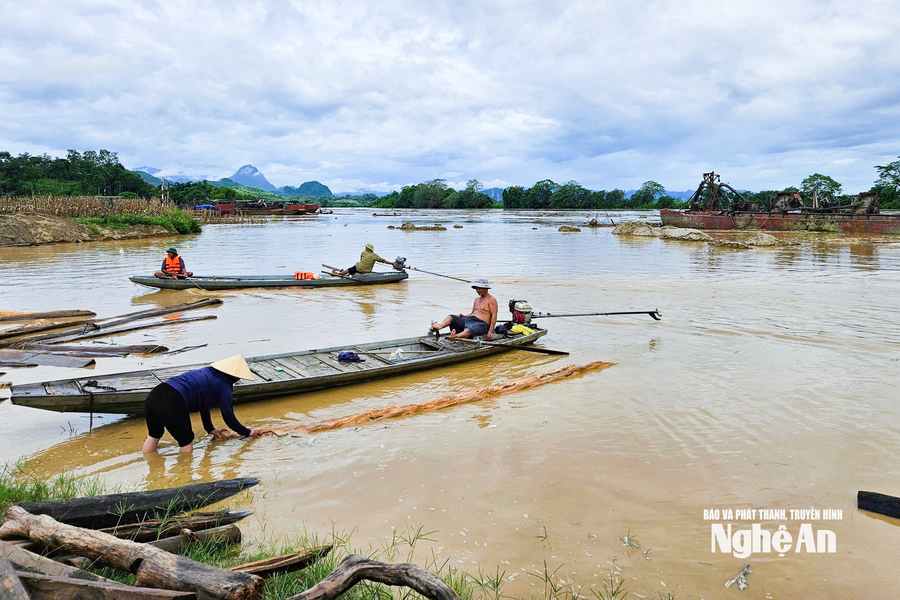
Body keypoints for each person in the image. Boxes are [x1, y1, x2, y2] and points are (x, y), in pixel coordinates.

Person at [141, 354, 260, 453]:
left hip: (154, 395)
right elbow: (228, 416)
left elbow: (204, 404)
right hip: (173, 400)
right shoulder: (224, 386)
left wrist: (210, 429)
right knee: (186, 440)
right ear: (236, 377)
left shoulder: (206, 372)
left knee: (154, 434)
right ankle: (185, 473)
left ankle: (149, 466)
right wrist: (247, 432)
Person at [431, 278, 499, 340]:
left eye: (479, 288)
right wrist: (464, 316)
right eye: (476, 289)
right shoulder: (477, 300)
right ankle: (440, 326)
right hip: (471, 320)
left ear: (486, 288)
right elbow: (472, 313)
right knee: (451, 317)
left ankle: (456, 336)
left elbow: (494, 316)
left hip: (482, 324)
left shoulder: (491, 300)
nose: (477, 290)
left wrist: (490, 331)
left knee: (468, 330)